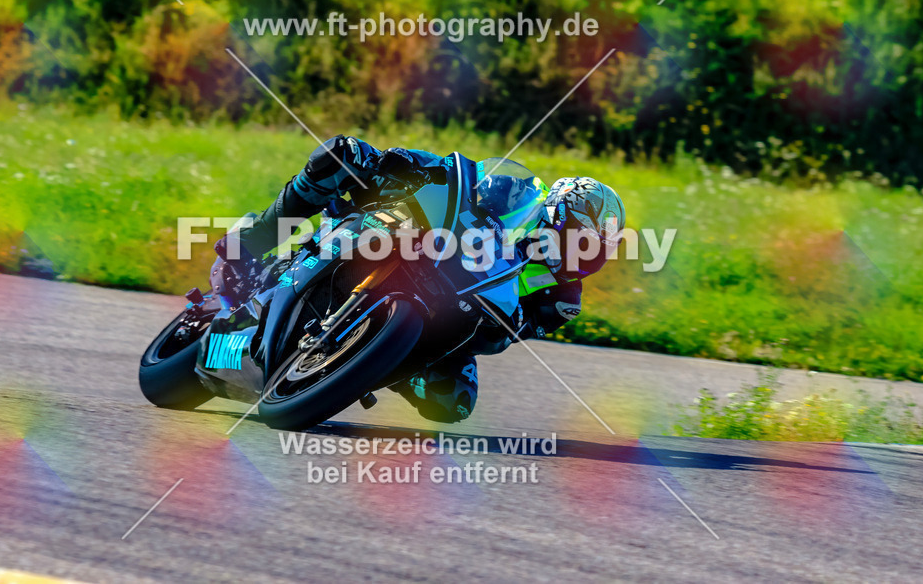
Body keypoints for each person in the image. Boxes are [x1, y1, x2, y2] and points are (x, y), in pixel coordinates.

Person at [217, 136, 625, 423]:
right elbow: (460, 175)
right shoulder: (515, 191)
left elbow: (500, 339)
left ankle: (368, 361)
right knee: (341, 154)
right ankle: (253, 241)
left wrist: (503, 323)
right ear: (556, 216)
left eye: (595, 251)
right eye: (580, 240)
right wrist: (402, 162)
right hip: (426, 241)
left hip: (455, 320)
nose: (583, 255)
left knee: (454, 402)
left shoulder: (562, 297)